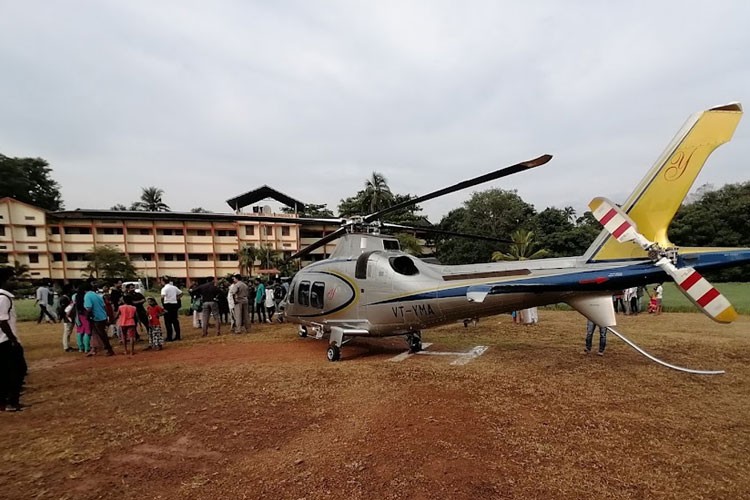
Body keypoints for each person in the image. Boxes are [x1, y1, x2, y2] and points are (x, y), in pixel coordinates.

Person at [0, 266, 25, 411]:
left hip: (4, 340)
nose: (14, 282)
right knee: (18, 369)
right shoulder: (3, 298)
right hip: (5, 341)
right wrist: (13, 340)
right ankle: (11, 401)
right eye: (11, 279)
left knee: (5, 371)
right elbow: (2, 321)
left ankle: (4, 401)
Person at [84, 282, 116, 356]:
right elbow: (104, 306)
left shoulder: (87, 296)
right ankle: (95, 348)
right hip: (102, 316)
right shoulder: (98, 295)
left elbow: (89, 307)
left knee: (101, 334)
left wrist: (87, 315)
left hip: (96, 318)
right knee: (98, 334)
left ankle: (108, 349)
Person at [160, 276, 182, 342]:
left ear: (163, 281)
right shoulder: (174, 287)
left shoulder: (164, 289)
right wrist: (176, 298)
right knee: (175, 321)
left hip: (167, 305)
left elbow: (162, 297)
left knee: (168, 322)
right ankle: (178, 336)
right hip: (174, 304)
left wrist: (163, 305)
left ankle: (169, 337)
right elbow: (181, 293)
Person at [58, 285, 76, 352]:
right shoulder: (64, 298)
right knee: (67, 332)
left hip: (67, 317)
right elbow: (63, 309)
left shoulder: (65, 298)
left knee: (68, 332)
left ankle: (67, 345)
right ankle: (66, 346)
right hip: (67, 317)